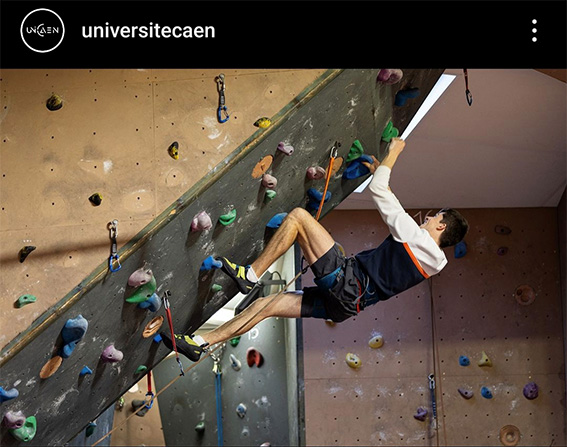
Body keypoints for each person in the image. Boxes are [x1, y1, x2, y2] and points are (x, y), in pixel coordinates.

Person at [160, 138, 469, 361]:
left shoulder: (417, 238)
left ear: (441, 226)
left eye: (435, 217)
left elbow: (380, 191)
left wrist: (394, 153)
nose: (428, 218)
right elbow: (390, 204)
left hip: (348, 283)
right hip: (348, 305)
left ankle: (250, 275)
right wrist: (380, 170)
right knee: (267, 306)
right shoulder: (433, 262)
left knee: (298, 218)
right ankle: (200, 342)